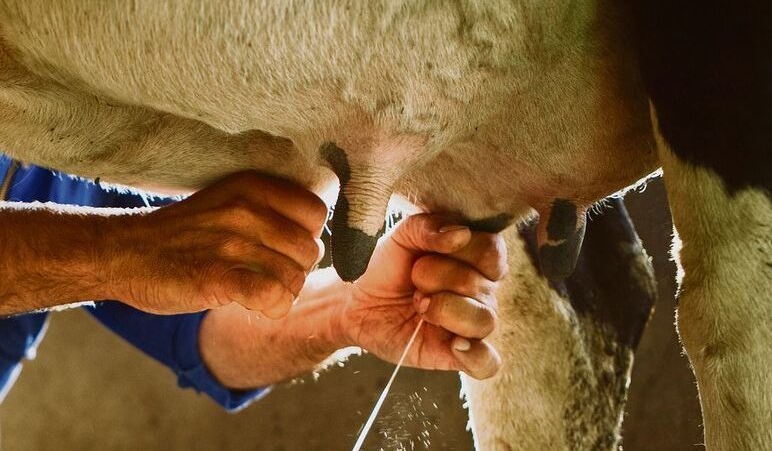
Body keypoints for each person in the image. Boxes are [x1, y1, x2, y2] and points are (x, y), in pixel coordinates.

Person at [0, 155, 504, 411]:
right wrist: (120, 252)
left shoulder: (69, 136)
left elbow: (203, 328)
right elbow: (139, 256)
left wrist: (348, 309)